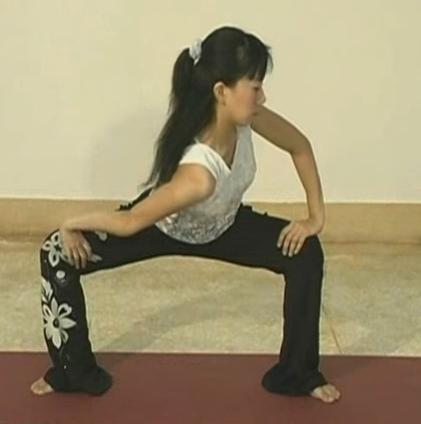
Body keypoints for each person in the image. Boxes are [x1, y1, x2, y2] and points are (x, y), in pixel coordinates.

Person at [30, 25, 341, 404]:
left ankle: (298, 374)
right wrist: (70, 223)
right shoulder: (199, 174)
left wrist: (315, 218)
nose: (262, 96)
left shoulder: (249, 116)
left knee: (305, 252)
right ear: (222, 92)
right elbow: (131, 222)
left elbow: (300, 146)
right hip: (164, 229)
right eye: (255, 86)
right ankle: (72, 372)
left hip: (225, 224)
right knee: (56, 253)